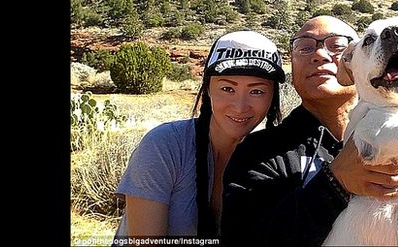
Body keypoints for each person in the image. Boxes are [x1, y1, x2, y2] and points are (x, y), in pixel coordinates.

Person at [221, 16, 398, 246]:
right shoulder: (262, 152)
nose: (319, 54)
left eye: (336, 45)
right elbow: (243, 238)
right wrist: (334, 183)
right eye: (304, 47)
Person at [111, 31, 286, 243]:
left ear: (272, 97)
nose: (240, 107)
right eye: (227, 88)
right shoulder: (164, 147)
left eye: (257, 91)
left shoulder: (276, 161)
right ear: (208, 90)